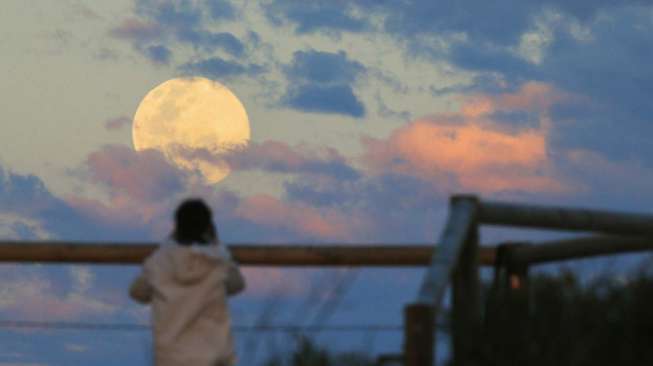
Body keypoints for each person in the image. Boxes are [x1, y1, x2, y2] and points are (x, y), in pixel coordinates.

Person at [129, 198, 245, 366]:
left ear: (177, 226)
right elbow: (237, 285)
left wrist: (166, 244)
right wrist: (217, 244)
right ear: (208, 227)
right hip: (214, 358)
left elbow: (137, 293)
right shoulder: (219, 262)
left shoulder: (160, 262)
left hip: (171, 358)